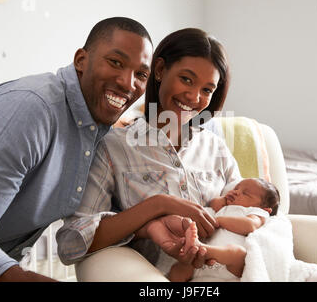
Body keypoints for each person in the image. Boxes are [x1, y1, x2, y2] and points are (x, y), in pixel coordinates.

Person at [0, 17, 154, 282]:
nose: (129, 84)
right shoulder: (30, 111)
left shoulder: (97, 128)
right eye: (115, 62)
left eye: (141, 74)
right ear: (81, 60)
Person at [56, 28, 241, 276]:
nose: (194, 96)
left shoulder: (216, 147)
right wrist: (158, 206)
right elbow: (71, 242)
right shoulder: (113, 146)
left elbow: (251, 207)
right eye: (186, 79)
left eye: (207, 90)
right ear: (161, 70)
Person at [167, 178, 280, 282]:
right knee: (176, 270)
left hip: (230, 267)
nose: (236, 192)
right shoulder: (224, 207)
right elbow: (213, 203)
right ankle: (195, 251)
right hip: (199, 265)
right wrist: (224, 200)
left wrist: (219, 221)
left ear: (265, 209)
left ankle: (200, 248)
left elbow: (251, 225)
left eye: (245, 193)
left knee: (238, 253)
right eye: (236, 188)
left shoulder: (256, 212)